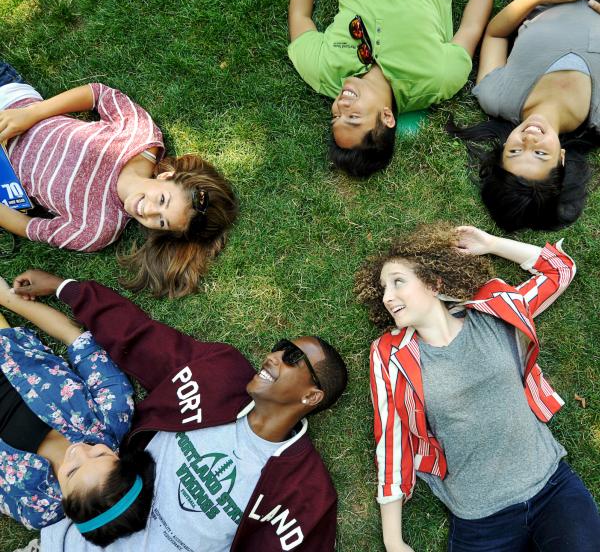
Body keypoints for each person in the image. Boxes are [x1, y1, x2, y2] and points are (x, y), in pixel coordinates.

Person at [9, 269, 349, 551]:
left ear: (311, 397)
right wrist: (65, 288)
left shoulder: (304, 491)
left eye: (292, 359)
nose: (273, 357)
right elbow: (142, 337)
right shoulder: (219, 375)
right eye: (280, 347)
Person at [355, 223, 600, 551]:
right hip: (480, 519)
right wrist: (393, 540)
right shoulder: (390, 356)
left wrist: (491, 244)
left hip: (552, 489)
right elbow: (391, 439)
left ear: (433, 282)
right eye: (384, 288)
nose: (387, 296)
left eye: (398, 282)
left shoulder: (493, 311)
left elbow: (559, 269)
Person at [0, 61, 238, 297]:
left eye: (161, 222)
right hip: (10, 98)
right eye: (163, 200)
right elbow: (97, 93)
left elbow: (28, 227)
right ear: (167, 176)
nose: (149, 211)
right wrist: (30, 114)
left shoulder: (96, 231)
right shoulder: (141, 137)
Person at [288, 0, 505, 177]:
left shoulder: (323, 70)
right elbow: (471, 27)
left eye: (335, 117)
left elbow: (299, 17)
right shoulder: (436, 78)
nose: (340, 107)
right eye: (352, 117)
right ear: (387, 117)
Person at [0, 276, 154, 546]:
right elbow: (77, 339)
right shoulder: (113, 414)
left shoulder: (37, 508)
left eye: (72, 472)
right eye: (100, 453)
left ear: (66, 504)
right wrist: (8, 299)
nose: (80, 450)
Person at [451, 0, 600, 230]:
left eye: (516, 152)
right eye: (541, 154)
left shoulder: (498, 96)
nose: (529, 140)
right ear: (562, 159)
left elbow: (495, 34)